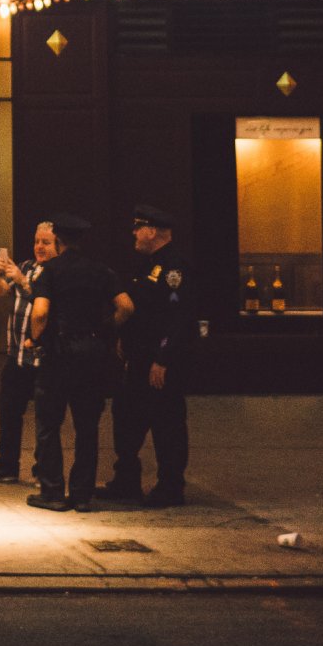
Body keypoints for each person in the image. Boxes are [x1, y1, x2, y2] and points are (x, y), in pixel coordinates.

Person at [23, 214, 131, 513]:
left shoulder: (50, 271)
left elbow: (40, 313)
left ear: (57, 240)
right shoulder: (102, 271)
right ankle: (83, 495)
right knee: (87, 427)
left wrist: (35, 339)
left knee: (49, 425)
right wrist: (106, 328)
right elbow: (126, 307)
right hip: (93, 355)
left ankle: (53, 492)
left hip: (58, 355)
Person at [102, 203, 197, 507]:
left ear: (152, 231)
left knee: (166, 423)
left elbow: (178, 317)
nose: (134, 233)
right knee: (126, 417)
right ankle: (126, 480)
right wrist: (123, 339)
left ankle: (170, 486)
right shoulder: (148, 265)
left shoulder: (173, 267)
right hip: (138, 357)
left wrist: (163, 358)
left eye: (138, 227)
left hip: (159, 361)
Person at [0, 222, 55, 484]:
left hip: (44, 357)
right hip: (17, 355)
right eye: (37, 241)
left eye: (46, 242)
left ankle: (43, 470)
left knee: (46, 418)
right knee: (9, 412)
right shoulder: (25, 266)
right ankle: (6, 465)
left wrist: (23, 283)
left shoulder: (56, 272)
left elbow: (44, 305)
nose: (40, 247)